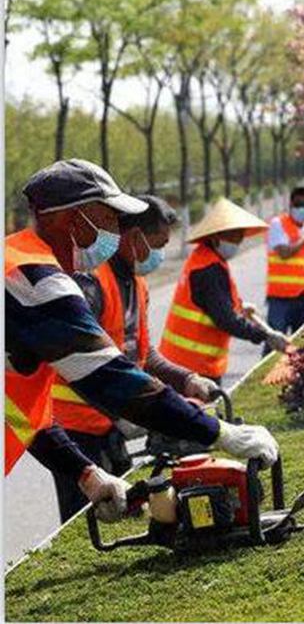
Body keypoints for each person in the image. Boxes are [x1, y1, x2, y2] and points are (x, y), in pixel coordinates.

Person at [6, 159, 279, 523]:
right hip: (87, 421)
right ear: (75, 217)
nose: (114, 232)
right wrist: (220, 432)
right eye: (107, 219)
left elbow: (19, 413)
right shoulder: (34, 277)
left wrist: (86, 475)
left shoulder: (26, 265)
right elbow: (110, 377)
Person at [48, 195, 220, 522]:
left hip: (111, 421)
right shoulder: (91, 284)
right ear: (134, 236)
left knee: (129, 508)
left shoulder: (137, 285)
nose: (160, 254)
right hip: (75, 427)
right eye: (159, 243)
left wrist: (187, 380)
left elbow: (143, 353)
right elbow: (76, 361)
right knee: (82, 522)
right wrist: (131, 413)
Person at [159, 197, 290, 384]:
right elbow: (225, 319)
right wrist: (265, 335)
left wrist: (239, 305)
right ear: (216, 236)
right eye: (233, 235)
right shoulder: (209, 269)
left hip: (184, 363)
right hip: (192, 367)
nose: (238, 241)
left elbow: (211, 301)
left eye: (240, 235)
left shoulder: (204, 258)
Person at [265, 186, 304, 351]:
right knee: (275, 347)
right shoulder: (278, 224)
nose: (302, 209)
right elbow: (283, 253)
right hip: (280, 298)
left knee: (303, 348)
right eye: (298, 204)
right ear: (290, 204)